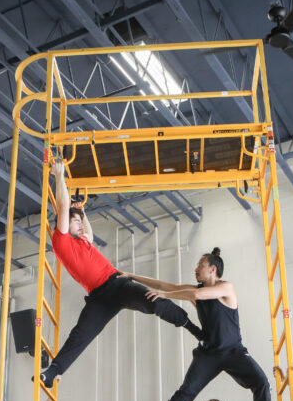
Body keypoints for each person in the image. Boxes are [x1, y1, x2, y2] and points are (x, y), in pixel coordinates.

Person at [35, 158, 202, 386]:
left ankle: (192, 328)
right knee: (81, 335)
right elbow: (63, 207)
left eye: (80, 222)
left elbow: (89, 234)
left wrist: (82, 213)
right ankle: (52, 372)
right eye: (75, 222)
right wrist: (59, 176)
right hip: (99, 298)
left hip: (117, 284)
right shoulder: (61, 240)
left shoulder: (83, 240)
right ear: (63, 225)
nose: (80, 224)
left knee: (152, 301)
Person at [123, 248, 272, 401]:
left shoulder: (226, 288)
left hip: (233, 351)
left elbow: (194, 295)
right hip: (208, 354)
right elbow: (164, 285)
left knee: (262, 383)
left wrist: (165, 295)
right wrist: (131, 275)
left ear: (212, 269)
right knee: (186, 391)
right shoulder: (194, 290)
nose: (196, 269)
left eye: (200, 265)